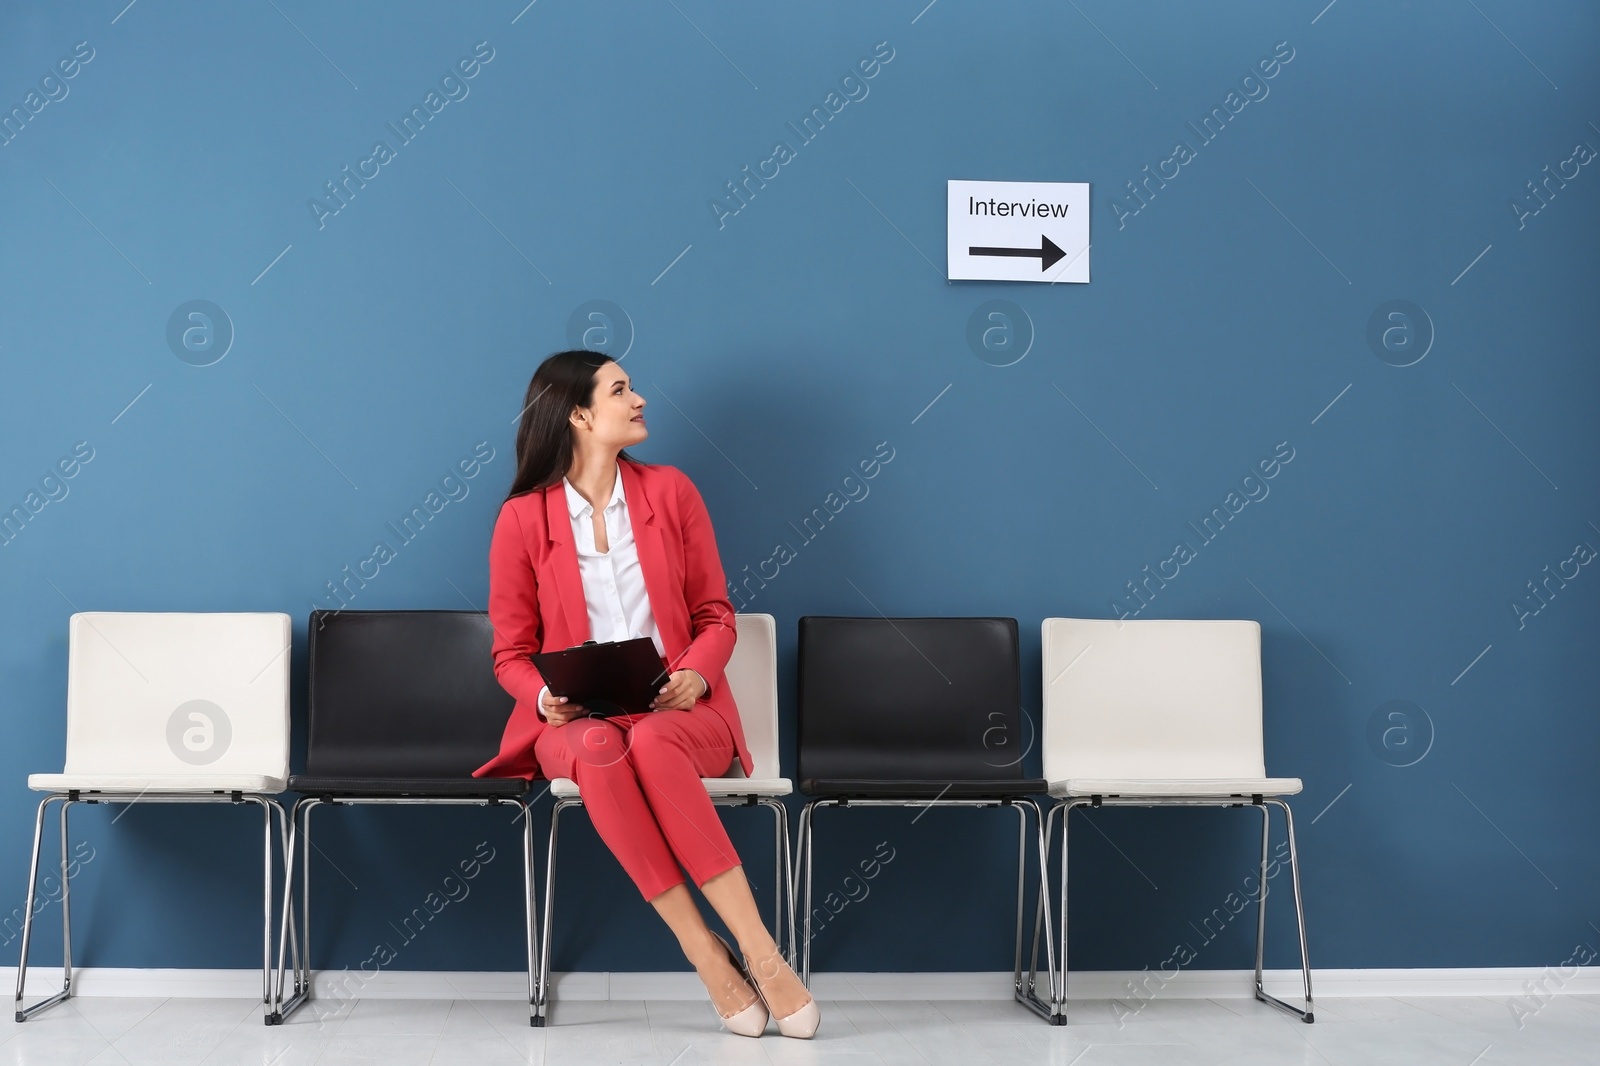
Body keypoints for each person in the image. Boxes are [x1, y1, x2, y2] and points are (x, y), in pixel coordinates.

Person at [473, 349, 818, 1039]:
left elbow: (716, 613)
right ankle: (703, 952)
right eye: (622, 391)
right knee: (601, 747)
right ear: (577, 413)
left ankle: (759, 952)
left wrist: (695, 673)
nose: (641, 401)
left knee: (654, 739)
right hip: (581, 721)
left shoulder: (671, 492)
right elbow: (510, 654)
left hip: (680, 712)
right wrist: (546, 699)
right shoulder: (521, 520)